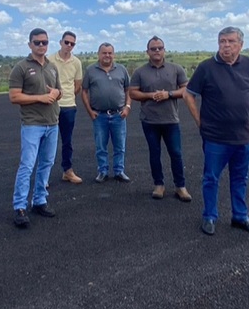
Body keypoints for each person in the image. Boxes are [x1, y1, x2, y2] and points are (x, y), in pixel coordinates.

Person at [184, 27, 249, 236]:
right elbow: (188, 95)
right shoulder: (207, 67)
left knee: (241, 178)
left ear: (240, 44)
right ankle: (210, 216)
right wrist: (200, 121)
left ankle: (240, 217)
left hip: (243, 136)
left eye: (231, 41)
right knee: (211, 178)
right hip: (215, 138)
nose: (226, 45)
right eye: (222, 41)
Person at [8, 28, 62, 228]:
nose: (41, 46)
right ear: (30, 44)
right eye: (37, 42)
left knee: (46, 164)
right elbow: (14, 96)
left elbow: (59, 93)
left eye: (45, 42)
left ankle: (40, 200)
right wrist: (40, 97)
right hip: (32, 124)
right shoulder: (21, 68)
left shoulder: (52, 67)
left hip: (52, 123)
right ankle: (20, 207)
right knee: (27, 165)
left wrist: (56, 93)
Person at [129, 36, 192, 202]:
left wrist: (168, 94)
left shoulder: (176, 69)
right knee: (154, 154)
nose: (157, 51)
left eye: (160, 48)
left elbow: (186, 90)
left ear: (164, 50)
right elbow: (133, 92)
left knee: (176, 153)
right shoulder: (140, 72)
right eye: (153, 48)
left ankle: (180, 186)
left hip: (171, 120)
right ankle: (159, 184)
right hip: (150, 121)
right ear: (147, 52)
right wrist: (151, 95)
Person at [81, 42, 132, 183]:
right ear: (99, 54)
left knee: (120, 146)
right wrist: (90, 111)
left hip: (119, 115)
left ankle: (119, 171)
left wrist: (127, 106)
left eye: (110, 53)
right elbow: (84, 91)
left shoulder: (121, 69)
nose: (107, 55)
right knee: (101, 146)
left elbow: (129, 89)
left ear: (113, 54)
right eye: (104, 53)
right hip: (99, 115)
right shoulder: (91, 70)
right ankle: (102, 171)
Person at [48, 31, 84, 185]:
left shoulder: (76, 62)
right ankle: (44, 176)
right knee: (47, 141)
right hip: (50, 106)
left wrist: (67, 95)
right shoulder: (49, 60)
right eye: (66, 42)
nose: (69, 46)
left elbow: (77, 85)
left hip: (69, 106)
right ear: (60, 42)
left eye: (72, 44)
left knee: (67, 141)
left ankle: (67, 171)